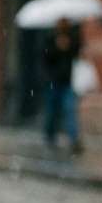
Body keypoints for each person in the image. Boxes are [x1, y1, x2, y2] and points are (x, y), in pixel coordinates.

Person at [42, 18, 83, 154]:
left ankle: (73, 138)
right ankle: (49, 136)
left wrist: (68, 46)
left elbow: (78, 53)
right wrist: (56, 47)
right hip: (53, 81)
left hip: (69, 81)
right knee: (52, 111)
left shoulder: (73, 38)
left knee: (70, 110)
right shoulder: (50, 38)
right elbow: (45, 58)